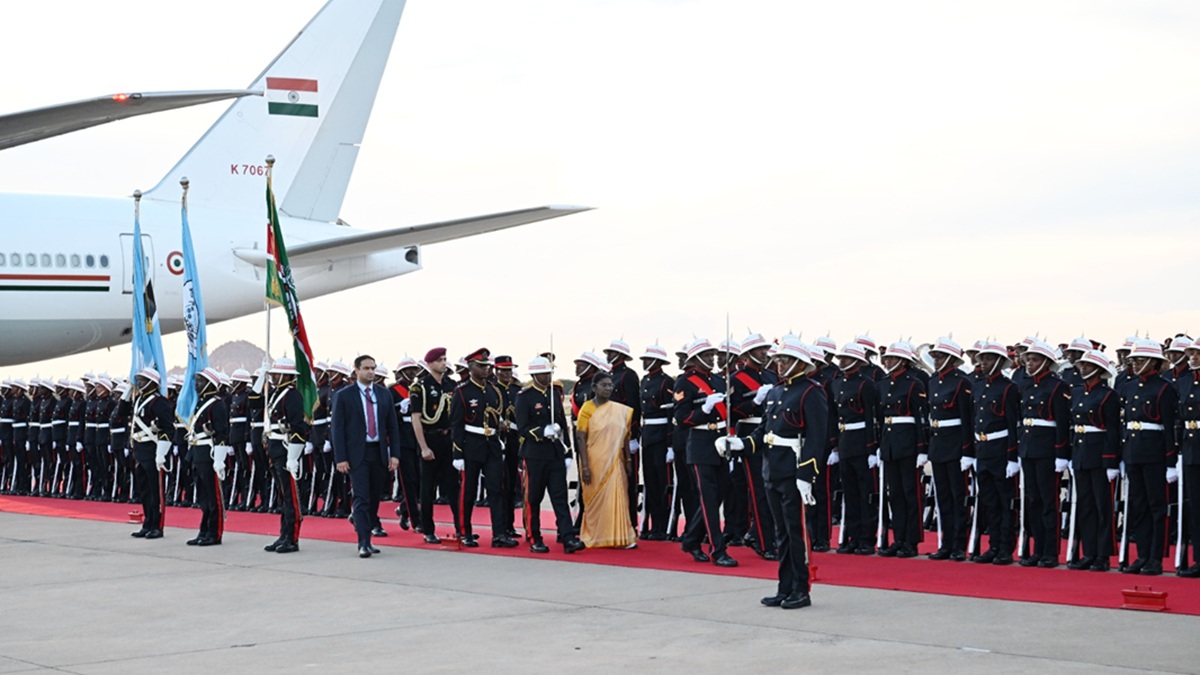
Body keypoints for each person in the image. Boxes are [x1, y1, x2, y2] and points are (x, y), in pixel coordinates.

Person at [719, 336, 828, 610]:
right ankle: (784, 587)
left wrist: (807, 475)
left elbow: (817, 439)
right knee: (780, 532)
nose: (779, 365)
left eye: (785, 360)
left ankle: (800, 589)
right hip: (772, 469)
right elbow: (763, 432)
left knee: (795, 532)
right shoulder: (776, 393)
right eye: (778, 360)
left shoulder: (811, 392)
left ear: (801, 364)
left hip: (794, 470)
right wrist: (739, 444)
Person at [331, 355, 402, 558]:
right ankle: (363, 541)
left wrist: (394, 454)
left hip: (378, 452)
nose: (371, 372)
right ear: (357, 370)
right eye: (367, 368)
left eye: (373, 368)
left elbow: (392, 427)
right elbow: (338, 429)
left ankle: (369, 534)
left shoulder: (383, 394)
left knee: (374, 497)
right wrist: (341, 458)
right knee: (361, 497)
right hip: (356, 454)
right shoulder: (345, 395)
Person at [676, 338, 738, 567]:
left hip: (721, 442)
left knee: (719, 494)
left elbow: (728, 413)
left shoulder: (719, 381)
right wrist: (704, 409)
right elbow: (682, 419)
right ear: (694, 358)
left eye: (713, 354)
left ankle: (692, 539)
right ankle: (717, 549)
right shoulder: (685, 382)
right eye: (707, 354)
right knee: (709, 500)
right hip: (700, 444)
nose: (712, 358)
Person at [1119, 338, 1178, 576]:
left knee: (1157, 506)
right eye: (1133, 359)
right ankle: (1142, 555)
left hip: (1155, 455)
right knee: (1138, 506)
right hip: (1134, 452)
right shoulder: (1130, 386)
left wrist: (1171, 462)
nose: (1134, 363)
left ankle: (1155, 557)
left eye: (1139, 360)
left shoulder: (1165, 389)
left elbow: (1169, 428)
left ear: (1153, 362)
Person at [516, 356, 584, 553]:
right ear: (535, 375)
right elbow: (522, 428)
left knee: (560, 496)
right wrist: (542, 431)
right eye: (544, 373)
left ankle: (568, 536)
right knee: (533, 497)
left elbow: (563, 425)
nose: (548, 376)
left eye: (549, 373)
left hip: (554, 453)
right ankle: (534, 536)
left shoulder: (554, 394)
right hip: (534, 454)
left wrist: (568, 451)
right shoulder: (525, 396)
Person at [450, 348, 517, 548]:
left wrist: (502, 427)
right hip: (471, 444)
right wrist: (457, 453)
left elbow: (499, 416)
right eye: (481, 366)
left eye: (487, 366)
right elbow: (456, 424)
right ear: (470, 368)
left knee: (496, 490)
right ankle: (464, 532)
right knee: (468, 491)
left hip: (493, 445)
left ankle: (499, 533)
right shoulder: (462, 392)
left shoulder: (493, 390)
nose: (486, 369)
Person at [1015, 340, 1071, 568]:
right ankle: (1036, 549)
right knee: (1032, 501)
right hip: (1029, 448)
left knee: (1049, 502)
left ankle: (1050, 551)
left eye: (1035, 360)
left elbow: (1062, 422)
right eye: (1028, 359)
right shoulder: (1026, 385)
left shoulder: (1058, 387)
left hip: (1048, 451)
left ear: (1046, 362)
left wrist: (1061, 453)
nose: (1029, 363)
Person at [1066, 349, 1121, 572]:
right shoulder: (1077, 392)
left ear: (1099, 369)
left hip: (1099, 455)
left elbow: (1112, 430)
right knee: (1085, 506)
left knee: (1102, 507)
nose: (1083, 368)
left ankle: (1103, 554)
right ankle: (1089, 551)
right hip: (1081, 452)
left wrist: (1110, 461)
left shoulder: (1108, 395)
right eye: (1081, 365)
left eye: (1088, 365)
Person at [967, 340, 1021, 565]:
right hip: (983, 449)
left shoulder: (1008, 388)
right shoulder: (979, 386)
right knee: (988, 501)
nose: (984, 362)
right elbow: (974, 421)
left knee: (1004, 501)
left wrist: (1011, 456)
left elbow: (1012, 424)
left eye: (989, 359)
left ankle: (1005, 548)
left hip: (1000, 450)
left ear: (999, 362)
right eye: (983, 359)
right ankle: (993, 545)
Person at [875, 341, 929, 558]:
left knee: (911, 494)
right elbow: (880, 418)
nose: (887, 360)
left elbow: (921, 418)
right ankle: (898, 538)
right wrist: (880, 444)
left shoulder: (914, 384)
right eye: (886, 357)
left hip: (908, 444)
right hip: (890, 443)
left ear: (903, 360)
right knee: (894, 494)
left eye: (891, 357)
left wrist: (922, 448)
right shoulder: (884, 383)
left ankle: (911, 541)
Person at [575, 372, 638, 549]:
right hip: (593, 460)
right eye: (604, 385)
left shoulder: (619, 410)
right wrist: (585, 466)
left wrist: (627, 460)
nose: (609, 388)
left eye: (611, 385)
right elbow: (581, 437)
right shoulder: (587, 409)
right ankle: (595, 535)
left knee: (618, 497)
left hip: (614, 462)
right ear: (594, 387)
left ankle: (620, 536)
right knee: (595, 499)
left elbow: (625, 435)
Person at [925, 337, 973, 561]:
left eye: (940, 357)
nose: (936, 360)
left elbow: (967, 419)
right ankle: (945, 543)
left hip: (955, 445)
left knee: (958, 497)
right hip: (938, 443)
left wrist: (967, 451)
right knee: (942, 497)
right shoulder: (933, 381)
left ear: (952, 360)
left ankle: (958, 545)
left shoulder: (962, 382)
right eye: (934, 357)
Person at [411, 348, 461, 545]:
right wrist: (423, 447)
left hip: (448, 440)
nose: (444, 363)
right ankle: (428, 529)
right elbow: (417, 419)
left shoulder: (452, 385)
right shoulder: (420, 387)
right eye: (440, 360)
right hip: (430, 439)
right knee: (427, 489)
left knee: (453, 487)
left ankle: (461, 528)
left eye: (445, 359)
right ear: (430, 363)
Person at [263, 357, 310, 554]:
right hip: (275, 449)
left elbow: (299, 428)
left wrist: (293, 456)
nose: (273, 376)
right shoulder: (276, 394)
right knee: (283, 496)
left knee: (291, 496)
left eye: (275, 373)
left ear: (285, 375)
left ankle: (292, 538)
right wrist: (260, 377)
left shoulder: (292, 396)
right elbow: (255, 402)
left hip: (286, 449)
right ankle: (284, 534)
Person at [186, 368, 231, 547]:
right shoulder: (201, 402)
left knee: (214, 497)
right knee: (203, 497)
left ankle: (214, 533)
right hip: (199, 453)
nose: (196, 385)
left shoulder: (216, 404)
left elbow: (221, 433)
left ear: (209, 384)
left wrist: (219, 460)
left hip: (210, 454)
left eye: (200, 382)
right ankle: (204, 530)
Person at [128, 369, 174, 540]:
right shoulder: (139, 399)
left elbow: (168, 429)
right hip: (140, 450)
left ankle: (157, 526)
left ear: (151, 382)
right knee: (145, 490)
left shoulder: (159, 402)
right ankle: (147, 523)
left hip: (153, 450)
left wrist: (161, 452)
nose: (138, 383)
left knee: (156, 491)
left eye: (141, 380)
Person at [638, 344, 674, 541]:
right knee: (650, 482)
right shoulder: (645, 380)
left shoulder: (665, 381)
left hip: (661, 435)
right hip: (648, 434)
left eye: (647, 359)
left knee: (663, 482)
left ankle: (663, 525)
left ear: (657, 361)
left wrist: (670, 444)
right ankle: (651, 524)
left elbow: (670, 413)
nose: (643, 362)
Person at [390, 358, 423, 532]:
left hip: (418, 438)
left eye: (414, 369)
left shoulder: (418, 389)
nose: (412, 372)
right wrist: (398, 408)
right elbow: (387, 416)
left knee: (420, 481)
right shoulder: (393, 391)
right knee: (408, 481)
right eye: (409, 369)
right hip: (403, 439)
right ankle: (416, 520)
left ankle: (404, 509)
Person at [1177, 341, 1200, 578]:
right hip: (1191, 449)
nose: (1193, 357)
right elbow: (1178, 418)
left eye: (1197, 353)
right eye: (1191, 353)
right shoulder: (1183, 382)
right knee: (1195, 506)